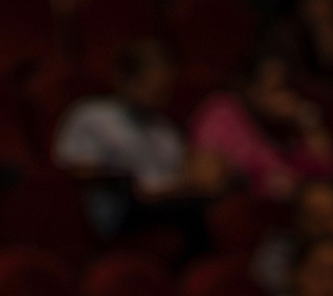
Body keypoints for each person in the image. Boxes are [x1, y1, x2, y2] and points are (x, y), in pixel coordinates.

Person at [52, 40, 221, 243]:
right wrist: (129, 185)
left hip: (165, 206)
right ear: (125, 79)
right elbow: (75, 169)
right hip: (118, 208)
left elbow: (180, 176)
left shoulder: (165, 129)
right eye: (151, 85)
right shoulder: (91, 116)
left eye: (164, 88)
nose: (159, 94)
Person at [186, 46, 333, 201]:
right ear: (250, 89)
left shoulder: (292, 123)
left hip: (292, 211)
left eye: (287, 88)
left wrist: (308, 122)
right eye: (276, 89)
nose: (285, 97)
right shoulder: (221, 113)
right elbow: (206, 179)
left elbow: (330, 170)